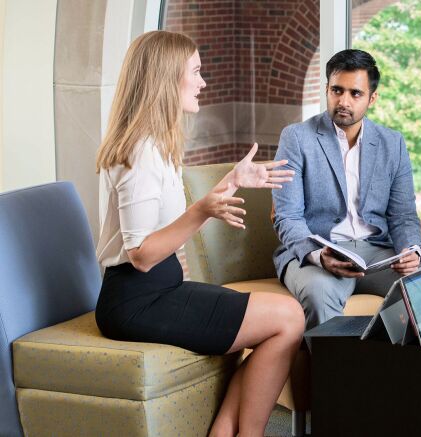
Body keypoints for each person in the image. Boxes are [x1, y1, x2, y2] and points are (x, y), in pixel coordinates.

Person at [94, 30, 303, 437]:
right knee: (287, 318)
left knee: (284, 318)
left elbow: (174, 226)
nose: (203, 82)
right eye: (196, 71)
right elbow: (141, 255)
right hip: (137, 301)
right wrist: (201, 210)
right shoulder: (139, 153)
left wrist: (233, 180)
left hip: (160, 290)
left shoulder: (158, 146)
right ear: (167, 79)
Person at [272, 49, 421, 329]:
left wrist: (412, 251)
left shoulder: (392, 143)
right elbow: (287, 216)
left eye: (355, 93)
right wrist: (317, 255)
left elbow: (403, 216)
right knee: (319, 293)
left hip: (379, 255)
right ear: (327, 89)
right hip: (320, 252)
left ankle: (406, 358)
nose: (343, 101)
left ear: (372, 98)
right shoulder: (297, 138)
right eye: (337, 90)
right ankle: (333, 361)